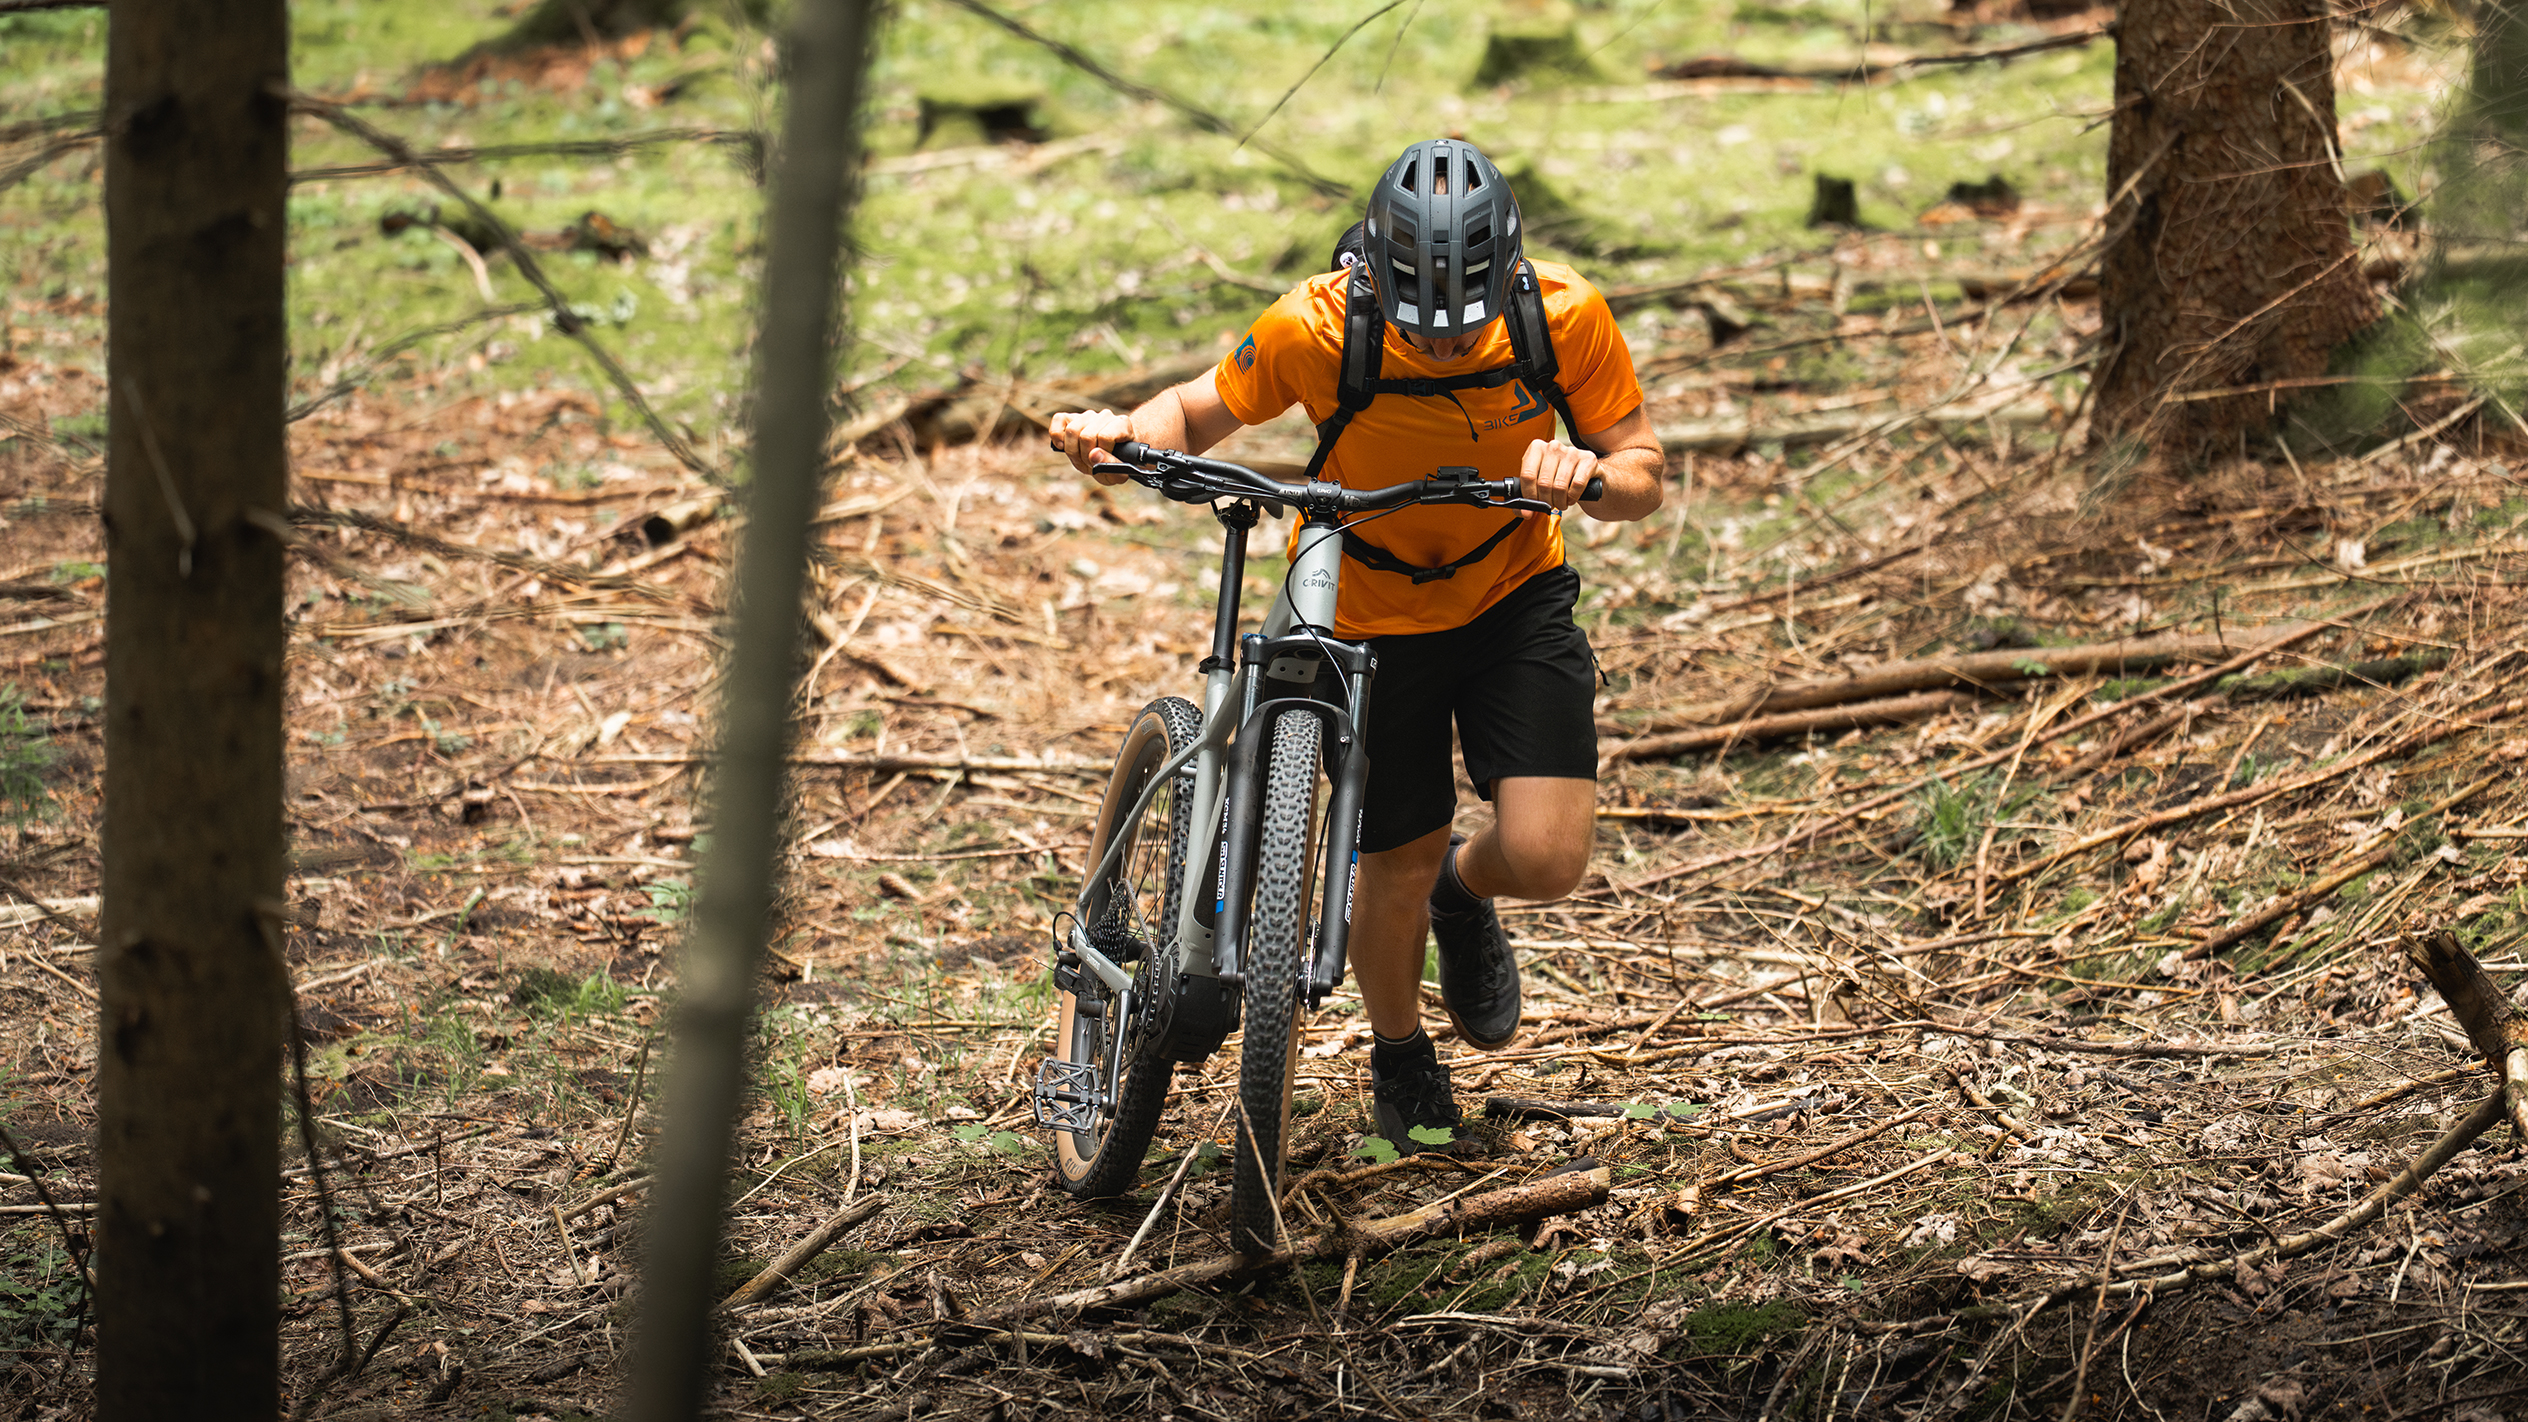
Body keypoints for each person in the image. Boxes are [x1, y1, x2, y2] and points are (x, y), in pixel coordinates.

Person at [1050, 138, 1665, 1152]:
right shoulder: (1316, 325)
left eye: (1458, 321)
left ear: (1505, 274)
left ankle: (1462, 901)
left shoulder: (1561, 315)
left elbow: (1640, 464)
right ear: (1370, 269)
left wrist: (1589, 479)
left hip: (1512, 592)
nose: (1437, 340)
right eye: (1415, 312)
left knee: (1548, 857)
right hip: (1365, 613)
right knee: (1394, 857)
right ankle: (1399, 1051)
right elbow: (1201, 406)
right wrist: (1126, 433)